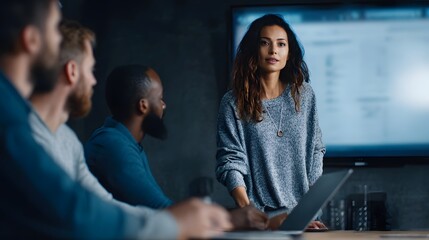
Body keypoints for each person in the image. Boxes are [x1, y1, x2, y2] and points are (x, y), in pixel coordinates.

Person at [0, 1, 231, 238]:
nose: (93, 81)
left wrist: (181, 219)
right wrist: (176, 222)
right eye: (53, 31)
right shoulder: (11, 122)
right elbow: (73, 211)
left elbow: (101, 204)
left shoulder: (62, 137)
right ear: (31, 40)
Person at [85, 64, 269, 230]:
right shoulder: (113, 147)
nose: (164, 105)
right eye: (160, 98)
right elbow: (163, 213)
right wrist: (234, 219)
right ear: (143, 106)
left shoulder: (122, 143)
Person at [215, 14, 327, 229]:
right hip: (260, 221)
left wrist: (309, 210)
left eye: (281, 44)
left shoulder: (304, 95)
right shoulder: (232, 102)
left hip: (304, 219)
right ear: (253, 50)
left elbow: (315, 149)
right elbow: (230, 162)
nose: (273, 50)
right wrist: (254, 218)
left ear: (288, 52)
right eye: (264, 43)